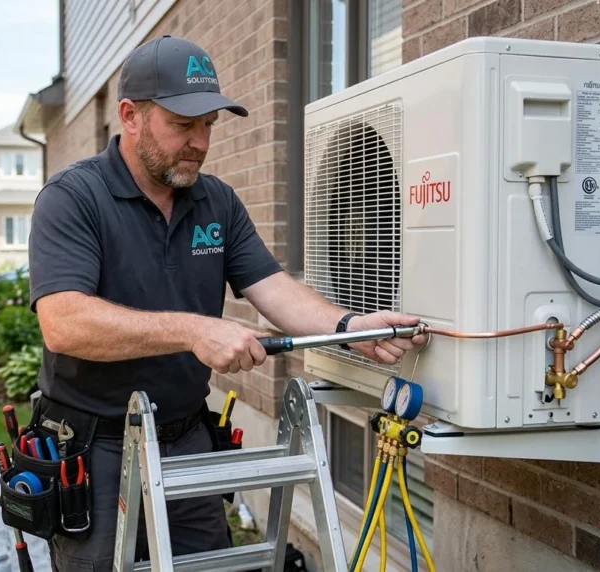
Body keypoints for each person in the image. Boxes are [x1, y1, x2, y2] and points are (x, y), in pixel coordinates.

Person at [27, 34, 429, 571]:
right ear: (130, 115)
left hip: (187, 437)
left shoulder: (216, 201)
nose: (199, 141)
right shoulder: (74, 199)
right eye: (182, 125)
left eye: (209, 125)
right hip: (95, 449)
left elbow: (274, 289)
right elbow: (64, 323)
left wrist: (351, 323)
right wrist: (194, 331)